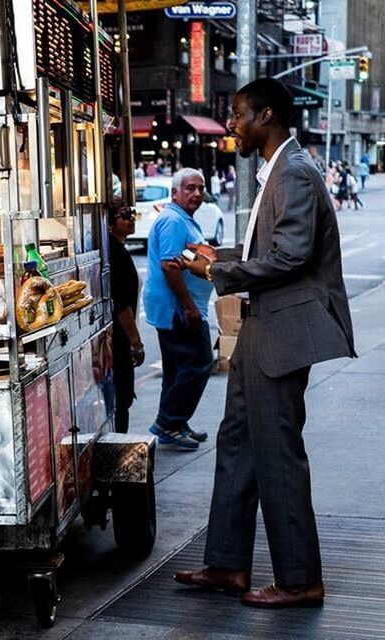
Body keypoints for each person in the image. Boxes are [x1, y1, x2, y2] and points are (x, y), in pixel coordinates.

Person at [176, 78, 356, 609]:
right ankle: (227, 564)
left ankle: (299, 580)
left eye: (237, 114)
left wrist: (218, 271)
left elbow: (290, 258)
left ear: (267, 115)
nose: (231, 124)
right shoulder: (277, 170)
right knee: (237, 443)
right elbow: (268, 247)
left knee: (277, 454)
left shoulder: (294, 172)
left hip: (281, 331)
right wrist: (217, 255)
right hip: (261, 328)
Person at [141, 168, 213, 450]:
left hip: (177, 307)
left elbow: (183, 258)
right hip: (177, 309)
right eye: (190, 188)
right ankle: (169, 423)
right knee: (198, 364)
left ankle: (174, 422)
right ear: (175, 193)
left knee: (177, 369)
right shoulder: (173, 220)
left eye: (200, 187)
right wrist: (189, 306)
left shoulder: (181, 219)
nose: (197, 193)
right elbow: (170, 265)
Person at [107, 206, 144, 434]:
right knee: (121, 399)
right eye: (124, 215)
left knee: (122, 400)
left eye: (132, 214)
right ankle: (119, 446)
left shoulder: (117, 248)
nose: (131, 219)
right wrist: (136, 343)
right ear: (111, 221)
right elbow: (122, 306)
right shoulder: (116, 252)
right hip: (120, 339)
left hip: (120, 337)